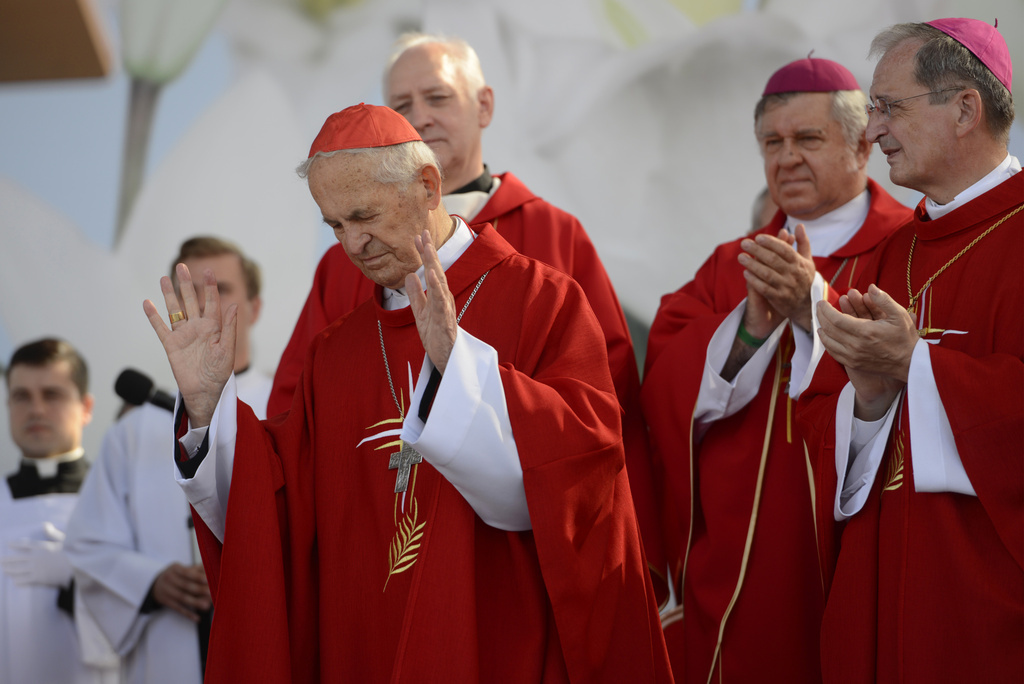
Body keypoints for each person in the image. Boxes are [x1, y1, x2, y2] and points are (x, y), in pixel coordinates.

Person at [142, 104, 672, 683]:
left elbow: (582, 474)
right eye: (336, 225)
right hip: (365, 649)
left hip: (497, 643)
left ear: (427, 185)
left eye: (364, 215)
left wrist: (460, 365)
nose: (353, 243)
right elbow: (278, 511)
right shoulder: (334, 352)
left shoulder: (540, 299)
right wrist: (206, 405)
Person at [266, 34, 667, 597]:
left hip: (513, 556)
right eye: (402, 106)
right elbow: (301, 410)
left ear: (483, 106)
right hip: (380, 544)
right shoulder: (344, 264)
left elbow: (604, 403)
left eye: (437, 97)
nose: (420, 117)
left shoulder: (550, 235)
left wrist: (634, 549)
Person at [640, 57, 911, 683]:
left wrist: (811, 308)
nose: (786, 158)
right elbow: (662, 389)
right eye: (772, 142)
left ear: (860, 145)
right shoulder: (725, 266)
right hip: (736, 565)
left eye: (808, 139)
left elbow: (919, 381)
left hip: (851, 547)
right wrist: (751, 331)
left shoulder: (907, 249)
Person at [805, 19, 1021, 682]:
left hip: (982, 594)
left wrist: (917, 366)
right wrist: (869, 397)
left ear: (964, 109)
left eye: (889, 107)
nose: (871, 131)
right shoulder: (895, 250)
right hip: (884, 569)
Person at [64, 237, 273, 684]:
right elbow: (86, 541)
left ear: (254, 308)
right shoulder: (134, 430)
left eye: (222, 289)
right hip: (164, 655)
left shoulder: (287, 408)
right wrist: (149, 581)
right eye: (192, 293)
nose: (206, 304)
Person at [0, 338, 116, 683]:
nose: (36, 409)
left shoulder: (118, 500)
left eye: (51, 394)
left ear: (86, 407)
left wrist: (80, 580)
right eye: (22, 397)